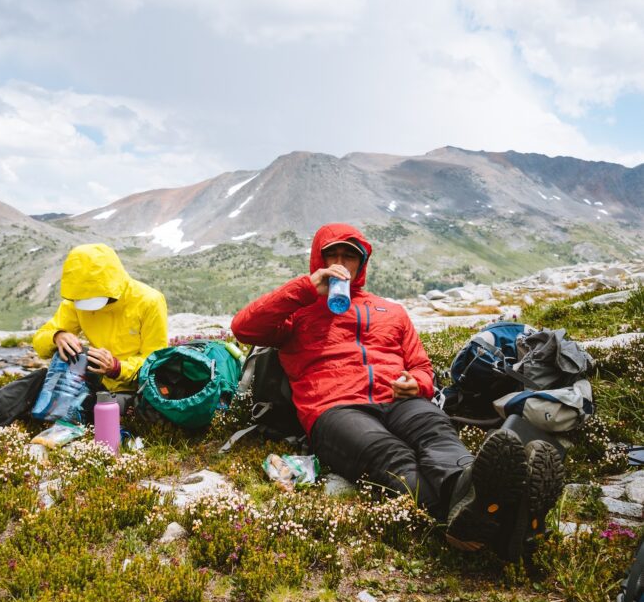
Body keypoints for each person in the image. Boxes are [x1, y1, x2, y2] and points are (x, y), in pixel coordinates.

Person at [231, 222, 563, 561]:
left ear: (362, 264)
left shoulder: (391, 311)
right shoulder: (298, 310)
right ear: (318, 260)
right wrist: (305, 287)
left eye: (350, 257)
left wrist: (416, 384)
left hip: (397, 399)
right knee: (388, 453)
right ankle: (501, 517)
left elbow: (421, 367)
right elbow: (243, 327)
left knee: (438, 433)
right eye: (332, 256)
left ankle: (478, 505)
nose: (341, 264)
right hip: (334, 408)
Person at [0, 243, 168, 457]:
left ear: (114, 285)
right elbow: (41, 338)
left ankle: (63, 424)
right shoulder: (78, 300)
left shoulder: (149, 302)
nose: (90, 306)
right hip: (88, 380)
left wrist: (118, 367)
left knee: (105, 409)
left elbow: (158, 364)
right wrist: (57, 336)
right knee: (31, 382)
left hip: (129, 390)